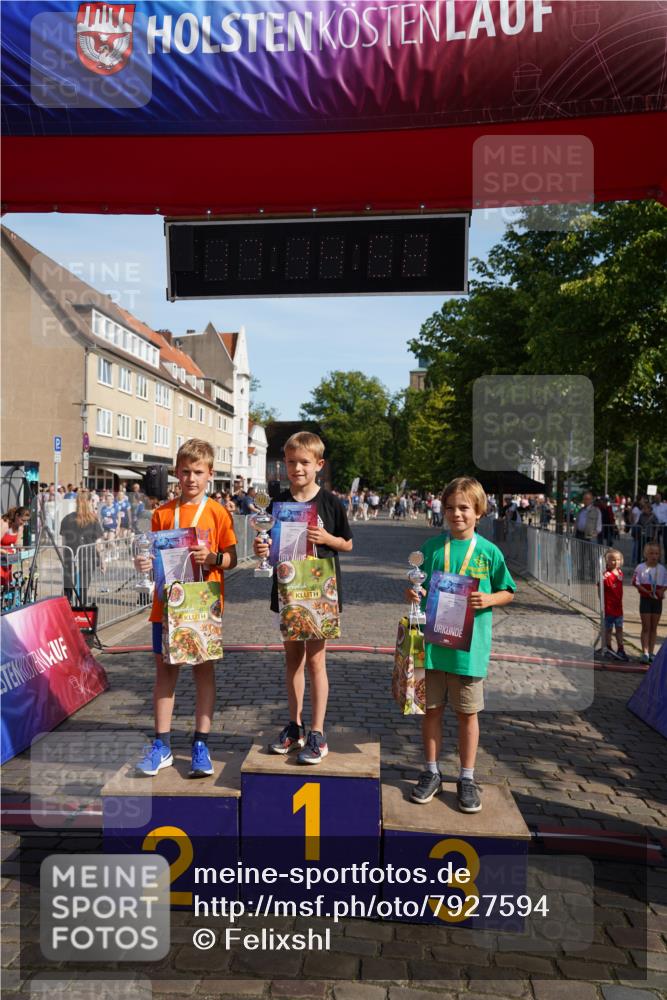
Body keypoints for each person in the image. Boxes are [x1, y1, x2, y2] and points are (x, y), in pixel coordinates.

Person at [405, 476, 515, 813]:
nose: (457, 514)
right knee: (432, 710)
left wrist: (490, 598)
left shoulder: (488, 552)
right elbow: (418, 586)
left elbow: (509, 590)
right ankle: (432, 771)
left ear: (478, 511)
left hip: (469, 651)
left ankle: (467, 777)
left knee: (468, 714)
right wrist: (412, 594)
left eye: (464, 508)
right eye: (450, 507)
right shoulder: (432, 548)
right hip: (434, 647)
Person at [134, 439, 237, 778]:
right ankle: (162, 745)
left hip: (203, 604)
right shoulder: (163, 513)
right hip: (166, 605)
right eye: (186, 471)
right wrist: (144, 565)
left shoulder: (218, 512)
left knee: (202, 673)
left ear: (210, 474)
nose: (191, 478)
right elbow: (154, 557)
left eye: (198, 472)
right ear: (176, 472)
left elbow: (232, 559)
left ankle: (200, 743)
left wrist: (214, 558)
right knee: (165, 674)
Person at [253, 431, 353, 764]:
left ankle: (318, 732)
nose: (298, 468)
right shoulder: (276, 501)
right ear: (284, 464)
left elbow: (348, 544)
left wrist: (327, 537)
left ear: (318, 465)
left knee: (316, 662)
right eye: (292, 462)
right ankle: (294, 727)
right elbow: (271, 549)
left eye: (304, 463)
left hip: (321, 590)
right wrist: (262, 549)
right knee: (292, 660)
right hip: (288, 589)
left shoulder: (330, 502)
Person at [59, 491, 105, 606]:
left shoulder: (66, 519)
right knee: (83, 588)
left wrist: (63, 560)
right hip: (88, 558)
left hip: (70, 558)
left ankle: (67, 612)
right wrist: (103, 561)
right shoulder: (94, 520)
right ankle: (81, 614)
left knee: (68, 589)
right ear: (89, 502)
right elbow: (98, 545)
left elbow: (63, 543)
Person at [632, 542, 666, 664]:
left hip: (657, 601)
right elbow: (635, 582)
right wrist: (646, 591)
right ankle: (645, 652)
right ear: (645, 554)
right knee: (646, 627)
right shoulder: (640, 567)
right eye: (651, 553)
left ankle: (651, 652)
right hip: (646, 599)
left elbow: (666, 583)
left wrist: (661, 590)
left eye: (656, 553)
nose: (654, 556)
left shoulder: (662, 569)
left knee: (654, 628)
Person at [601, 549, 629, 661]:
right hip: (609, 608)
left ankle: (621, 648)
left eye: (617, 559)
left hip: (619, 609)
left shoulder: (620, 573)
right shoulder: (605, 575)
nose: (615, 562)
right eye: (612, 560)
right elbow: (600, 589)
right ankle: (608, 647)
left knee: (619, 629)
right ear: (607, 561)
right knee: (608, 629)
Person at [1, 507, 30, 591]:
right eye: (23, 520)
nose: (24, 523)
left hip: (7, 559)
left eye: (26, 521)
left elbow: (17, 544)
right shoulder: (5, 524)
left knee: (7, 585)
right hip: (2, 555)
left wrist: (22, 551)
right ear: (17, 516)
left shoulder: (20, 527)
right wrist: (4, 551)